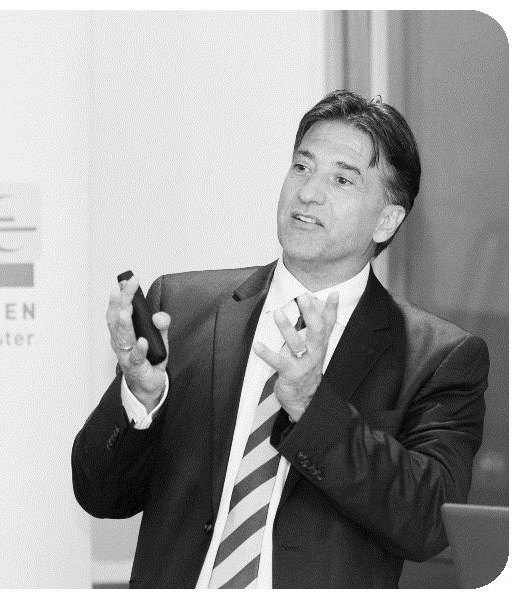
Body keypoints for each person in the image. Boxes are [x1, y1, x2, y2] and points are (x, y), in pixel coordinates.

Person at [71, 90, 488, 589]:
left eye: (341, 179)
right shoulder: (182, 309)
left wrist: (313, 409)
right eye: (301, 167)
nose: (308, 193)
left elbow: (427, 523)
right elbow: (100, 494)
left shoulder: (436, 357)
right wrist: (141, 398)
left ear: (387, 220)